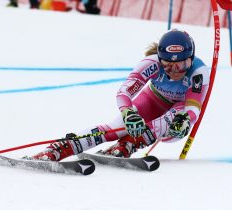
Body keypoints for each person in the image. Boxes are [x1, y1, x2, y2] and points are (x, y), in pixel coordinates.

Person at [31, 29, 210, 161]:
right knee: (116, 128)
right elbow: (124, 91)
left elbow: (193, 106)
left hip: (175, 120)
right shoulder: (151, 64)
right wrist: (127, 112)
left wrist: (186, 119)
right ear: (159, 58)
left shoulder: (198, 72)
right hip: (152, 99)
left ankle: (131, 143)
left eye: (182, 65)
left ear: (192, 59)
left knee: (175, 118)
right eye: (169, 65)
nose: (175, 71)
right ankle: (61, 148)